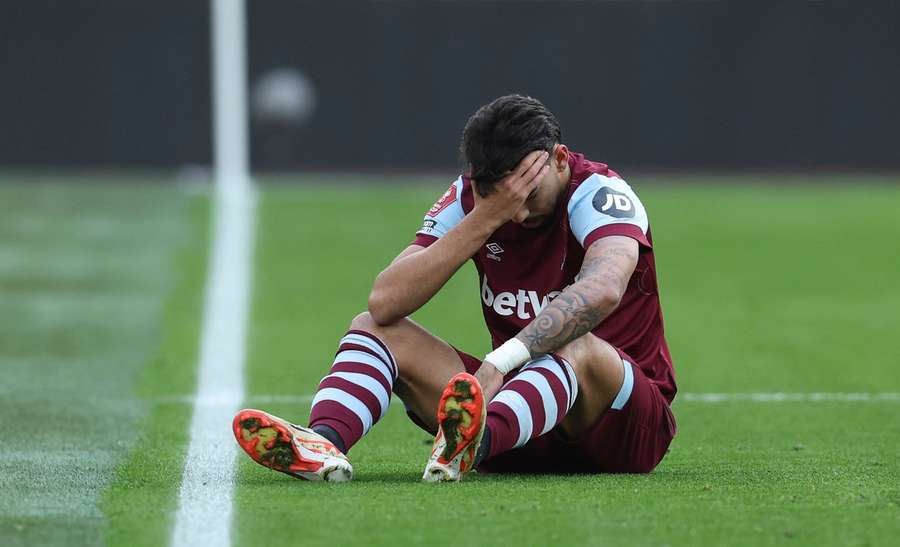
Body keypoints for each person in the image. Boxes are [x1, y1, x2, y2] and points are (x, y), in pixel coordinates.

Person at [232, 94, 677, 482]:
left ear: (560, 158)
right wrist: (485, 219)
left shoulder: (598, 192)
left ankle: (473, 441)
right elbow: (386, 300)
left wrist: (501, 363)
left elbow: (603, 289)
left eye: (528, 192)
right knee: (375, 327)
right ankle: (323, 444)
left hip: (619, 426)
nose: (518, 215)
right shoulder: (476, 201)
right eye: (505, 199)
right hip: (520, 420)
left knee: (574, 342)